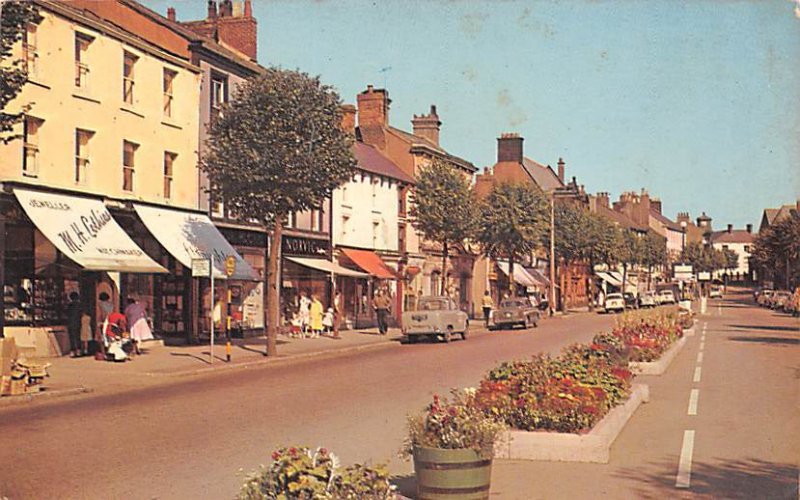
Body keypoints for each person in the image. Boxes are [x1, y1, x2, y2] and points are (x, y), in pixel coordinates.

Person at [66, 292, 82, 358]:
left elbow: (67, 314)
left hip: (70, 323)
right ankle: (79, 350)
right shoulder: (80, 305)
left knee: (72, 337)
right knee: (78, 337)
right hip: (78, 323)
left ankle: (73, 351)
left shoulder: (69, 306)